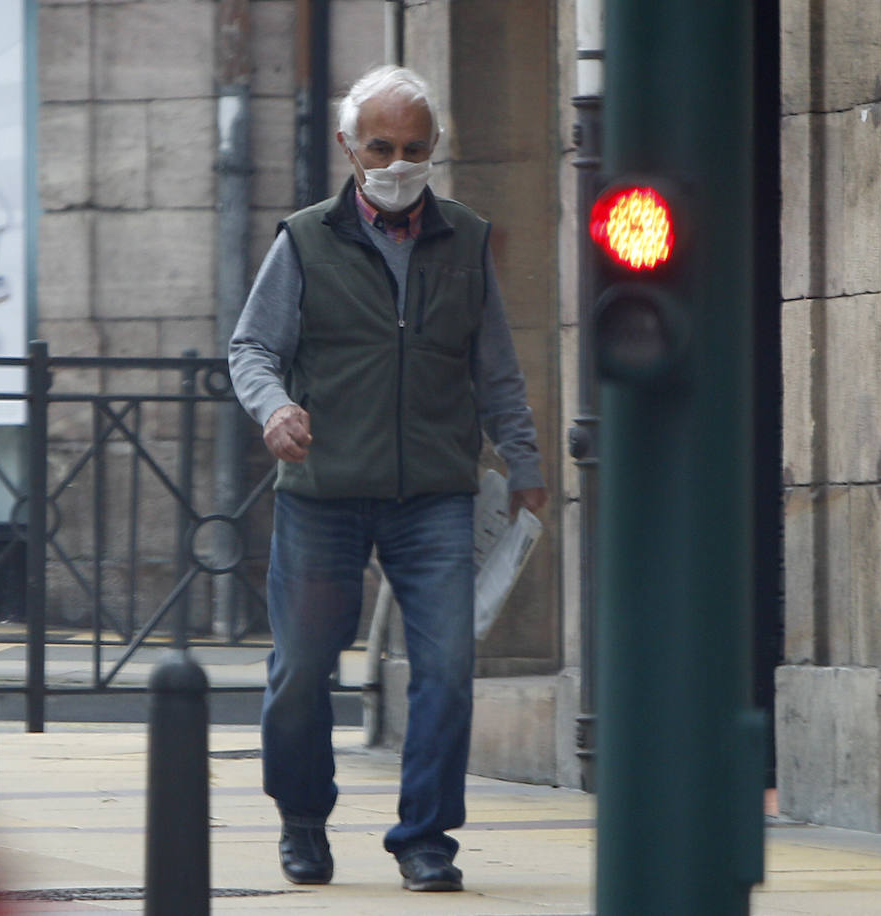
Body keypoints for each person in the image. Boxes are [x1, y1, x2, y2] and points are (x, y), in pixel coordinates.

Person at [228, 64, 547, 894]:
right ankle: (303, 818)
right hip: (323, 493)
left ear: (434, 148)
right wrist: (274, 410)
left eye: (414, 148)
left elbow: (498, 371)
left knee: (445, 667)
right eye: (381, 146)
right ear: (348, 147)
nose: (398, 162)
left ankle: (426, 838)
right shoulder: (303, 240)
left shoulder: (467, 239)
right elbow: (251, 348)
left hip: (436, 494)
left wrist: (526, 466)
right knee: (301, 669)